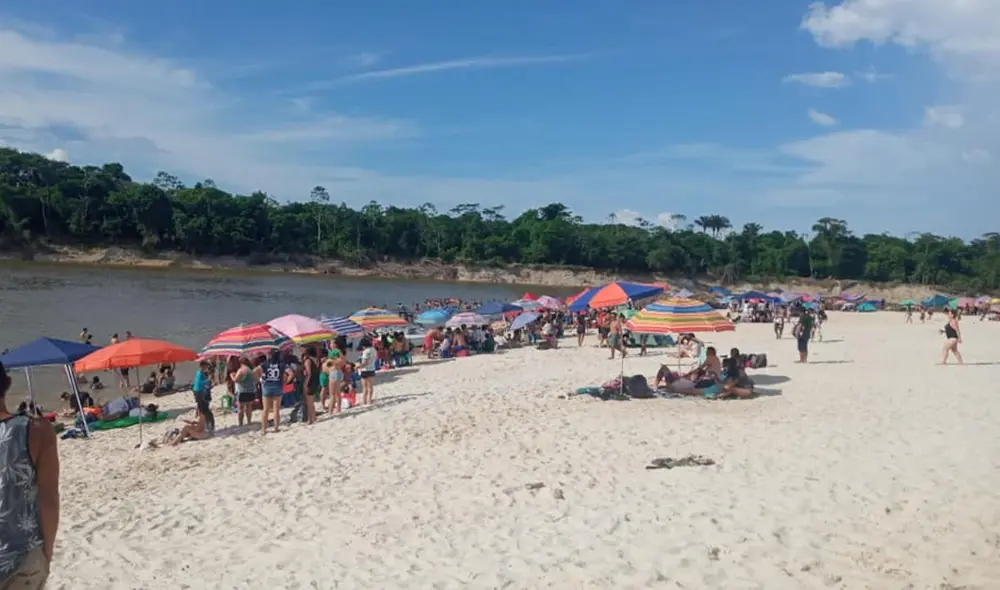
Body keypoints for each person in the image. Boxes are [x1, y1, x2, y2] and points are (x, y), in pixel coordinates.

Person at [0, 361, 59, 588]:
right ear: (8, 384)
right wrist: (47, 551)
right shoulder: (36, 430)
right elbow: (49, 499)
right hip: (23, 553)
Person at [256, 350, 287, 434]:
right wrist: (284, 382)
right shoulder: (281, 364)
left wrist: (261, 378)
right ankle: (276, 427)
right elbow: (286, 375)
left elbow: (255, 371)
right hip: (277, 386)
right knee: (276, 409)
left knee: (265, 409)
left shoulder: (264, 363)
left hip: (267, 386)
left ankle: (263, 429)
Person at [231, 357, 256, 427]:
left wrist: (232, 376)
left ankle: (240, 424)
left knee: (240, 408)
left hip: (242, 391)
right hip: (251, 391)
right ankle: (249, 422)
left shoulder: (241, 370)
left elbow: (236, 380)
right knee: (249, 407)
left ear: (241, 363)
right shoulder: (251, 369)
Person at [192, 360, 215, 435]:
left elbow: (205, 384)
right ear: (201, 366)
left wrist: (210, 383)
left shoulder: (202, 373)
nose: (206, 367)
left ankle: (209, 425)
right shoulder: (199, 373)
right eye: (205, 366)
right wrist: (208, 380)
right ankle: (209, 426)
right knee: (204, 410)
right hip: (199, 392)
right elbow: (199, 383)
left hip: (201, 392)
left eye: (207, 366)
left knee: (204, 409)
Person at [300, 347, 319, 425]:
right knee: (311, 401)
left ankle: (310, 419)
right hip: (315, 380)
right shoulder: (317, 360)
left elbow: (308, 373)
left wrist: (305, 383)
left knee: (309, 402)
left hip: (309, 381)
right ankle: (313, 417)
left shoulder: (308, 361)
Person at [359, 338, 377, 406]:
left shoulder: (366, 351)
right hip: (372, 369)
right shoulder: (374, 349)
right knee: (370, 386)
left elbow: (364, 363)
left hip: (365, 370)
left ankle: (364, 401)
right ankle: (369, 400)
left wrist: (357, 367)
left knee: (364, 387)